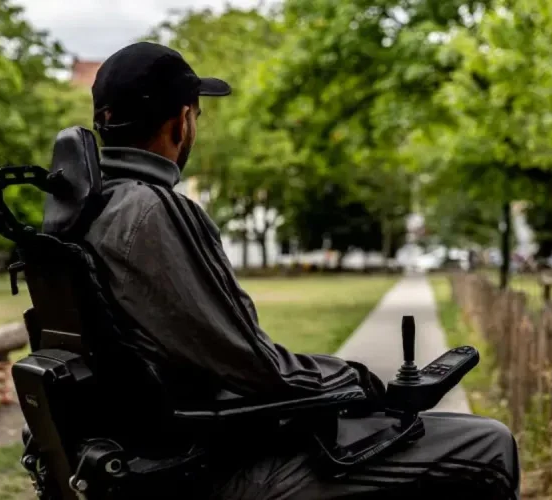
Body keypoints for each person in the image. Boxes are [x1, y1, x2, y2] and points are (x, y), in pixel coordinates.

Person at [84, 41, 520, 498]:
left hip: (156, 450)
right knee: (487, 443)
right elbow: (254, 366)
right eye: (197, 116)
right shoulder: (151, 212)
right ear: (182, 121)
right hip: (208, 471)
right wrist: (357, 381)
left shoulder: (92, 209)